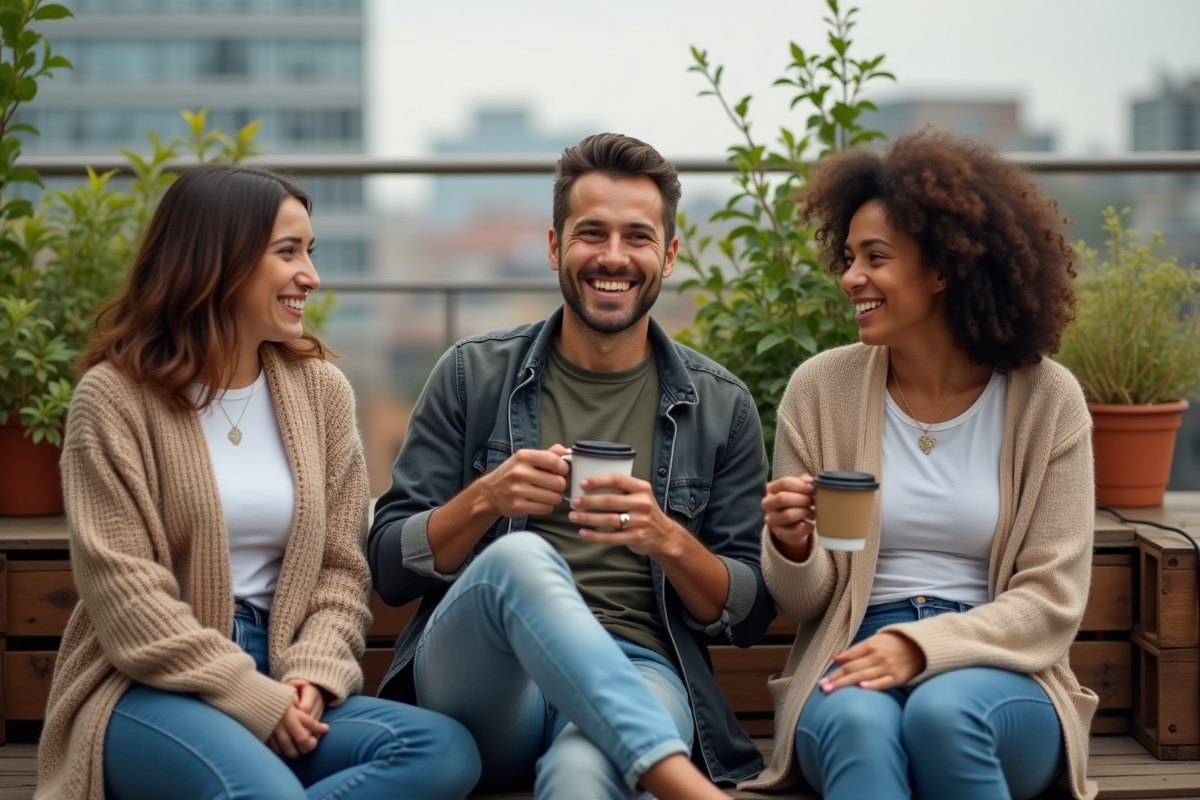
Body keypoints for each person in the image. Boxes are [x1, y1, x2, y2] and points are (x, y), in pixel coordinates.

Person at [36, 164, 481, 800]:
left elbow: (341, 569)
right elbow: (126, 595)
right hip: (147, 688)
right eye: (288, 252)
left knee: (442, 750)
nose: (312, 276)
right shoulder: (113, 400)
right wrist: (248, 696)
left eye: (311, 251)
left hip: (288, 676)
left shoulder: (321, 392)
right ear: (218, 259)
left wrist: (309, 677)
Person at [368, 133, 776, 800]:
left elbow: (749, 610)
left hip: (641, 670)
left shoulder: (719, 405)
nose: (613, 257)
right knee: (518, 561)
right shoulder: (473, 376)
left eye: (637, 237)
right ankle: (683, 786)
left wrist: (666, 538)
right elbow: (388, 564)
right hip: (493, 689)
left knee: (583, 777)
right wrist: (484, 500)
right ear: (556, 246)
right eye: (592, 234)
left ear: (669, 256)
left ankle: (649, 765)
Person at [740, 130, 1099, 800]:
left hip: (1001, 664)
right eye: (848, 257)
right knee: (854, 723)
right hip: (854, 645)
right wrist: (792, 544)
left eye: (876, 257)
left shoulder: (1047, 401)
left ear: (943, 269)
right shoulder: (820, 391)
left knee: (943, 712)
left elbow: (1051, 604)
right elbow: (807, 600)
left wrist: (922, 647)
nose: (851, 278)